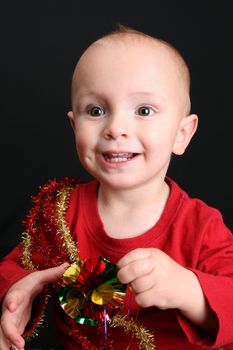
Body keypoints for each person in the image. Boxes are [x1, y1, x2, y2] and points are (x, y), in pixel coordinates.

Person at [0, 26, 233, 350]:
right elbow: (12, 269)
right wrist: (16, 291)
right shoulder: (59, 213)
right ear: (74, 126)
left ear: (182, 134)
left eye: (143, 110)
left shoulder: (201, 227)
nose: (115, 128)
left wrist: (187, 289)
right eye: (96, 111)